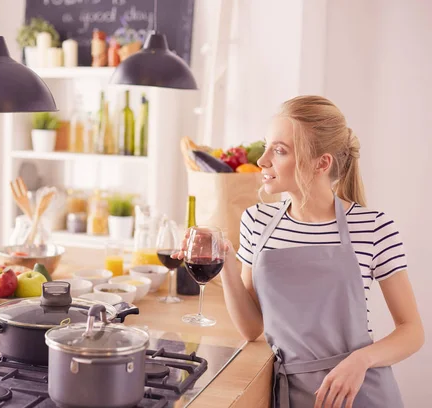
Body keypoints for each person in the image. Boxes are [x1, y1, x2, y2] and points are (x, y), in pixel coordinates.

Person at [178, 96, 424, 408]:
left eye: (279, 151)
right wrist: (225, 262)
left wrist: (360, 361)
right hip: (292, 395)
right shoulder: (257, 220)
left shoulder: (373, 227)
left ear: (321, 163)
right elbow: (252, 328)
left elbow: (412, 331)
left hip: (360, 393)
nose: (263, 160)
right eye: (267, 146)